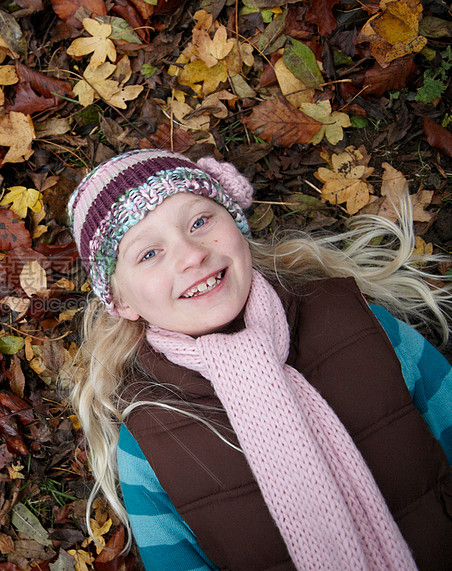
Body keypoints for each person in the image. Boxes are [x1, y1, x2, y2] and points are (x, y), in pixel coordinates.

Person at [67, 149, 452, 570]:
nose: (191, 254)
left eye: (199, 222)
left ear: (236, 221)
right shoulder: (148, 437)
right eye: (149, 254)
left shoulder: (359, 322)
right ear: (121, 301)